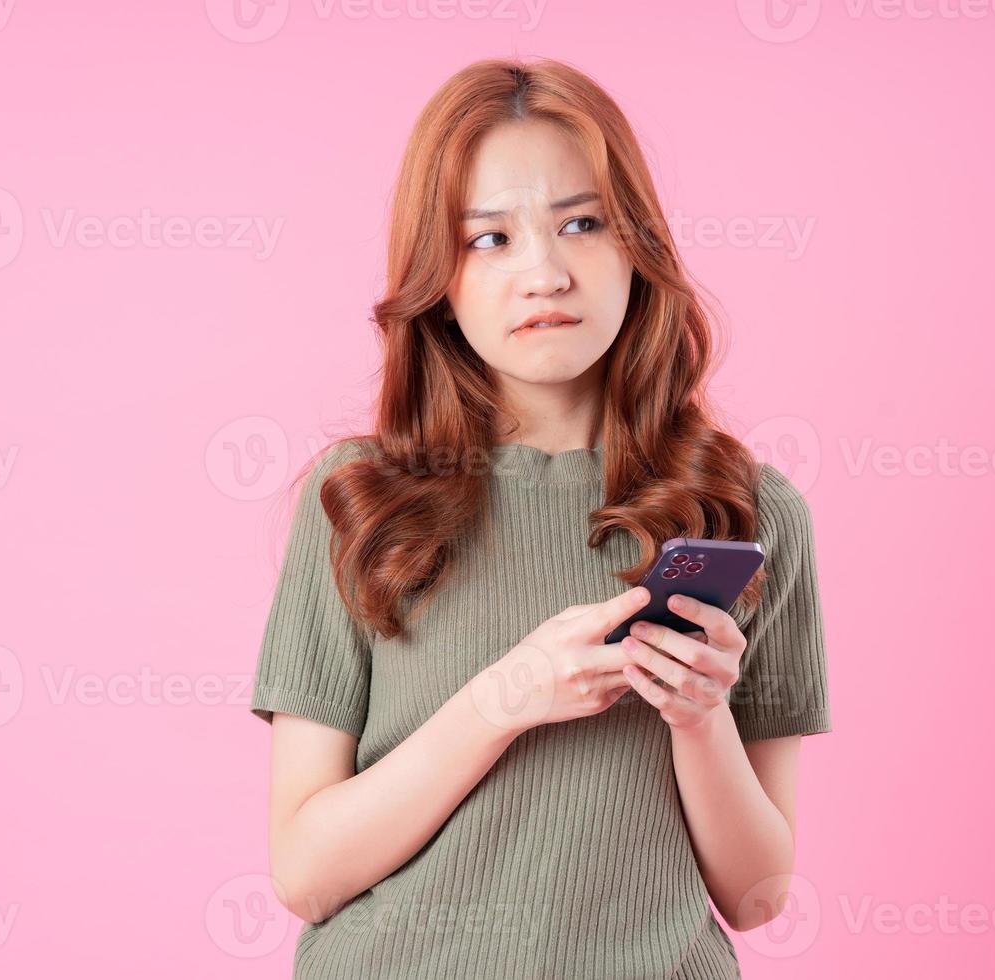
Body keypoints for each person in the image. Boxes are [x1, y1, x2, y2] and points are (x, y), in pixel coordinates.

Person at [248, 56, 831, 980]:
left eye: (582, 223)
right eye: (489, 239)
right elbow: (306, 874)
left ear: (636, 245)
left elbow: (757, 898)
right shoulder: (358, 500)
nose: (546, 273)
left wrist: (699, 715)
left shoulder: (744, 514)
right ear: (439, 276)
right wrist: (504, 701)